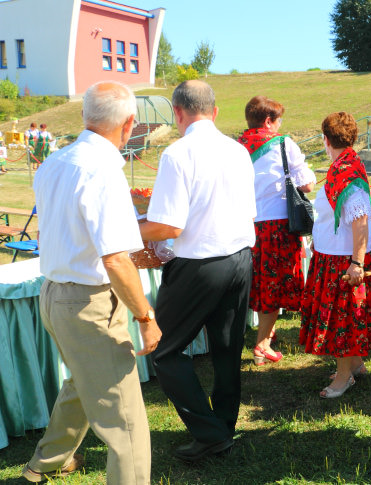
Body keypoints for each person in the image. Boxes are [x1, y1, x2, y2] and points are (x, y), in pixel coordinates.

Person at [22, 81, 161, 484]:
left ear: (86, 115)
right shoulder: (102, 171)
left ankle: (43, 465)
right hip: (89, 301)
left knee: (81, 384)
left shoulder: (54, 162)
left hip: (55, 294)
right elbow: (116, 258)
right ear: (130, 123)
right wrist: (145, 315)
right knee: (127, 424)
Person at [139, 80, 256, 462]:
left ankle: (210, 434)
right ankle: (222, 427)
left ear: (177, 113)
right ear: (215, 111)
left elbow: (169, 228)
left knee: (164, 349)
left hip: (200, 263)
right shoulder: (239, 150)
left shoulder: (178, 153)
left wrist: (127, 228)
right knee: (226, 351)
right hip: (239, 258)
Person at [299, 111, 371, 399]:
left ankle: (344, 377)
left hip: (344, 261)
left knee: (343, 321)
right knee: (345, 318)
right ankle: (356, 364)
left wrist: (356, 263)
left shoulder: (346, 174)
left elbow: (361, 221)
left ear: (325, 140)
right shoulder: (345, 167)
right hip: (333, 257)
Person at [238, 96, 316, 365]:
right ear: (269, 121)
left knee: (259, 285)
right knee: (272, 286)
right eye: (278, 119)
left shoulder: (237, 146)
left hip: (245, 224)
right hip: (277, 226)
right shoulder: (283, 143)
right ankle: (261, 345)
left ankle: (265, 337)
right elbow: (306, 184)